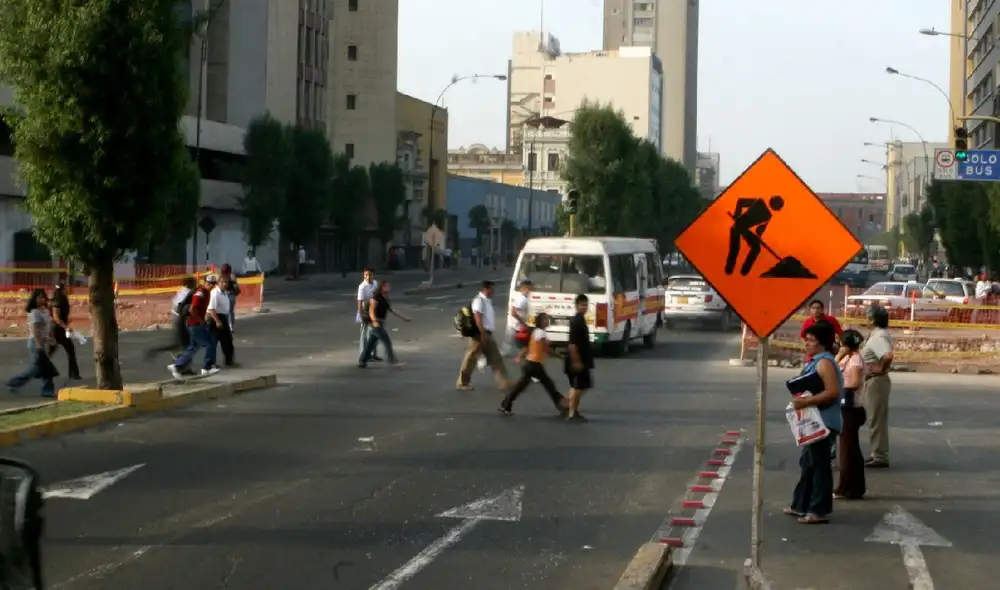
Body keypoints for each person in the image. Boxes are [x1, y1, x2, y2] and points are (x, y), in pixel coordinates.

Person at [784, 320, 844, 524]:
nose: (807, 344)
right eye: (806, 340)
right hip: (814, 420)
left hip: (824, 421)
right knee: (808, 463)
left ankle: (818, 510)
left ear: (822, 343)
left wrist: (806, 401)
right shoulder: (815, 361)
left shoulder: (824, 362)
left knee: (819, 466)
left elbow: (833, 391)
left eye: (811, 340)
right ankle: (801, 504)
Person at [498, 313, 569, 416]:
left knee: (521, 387)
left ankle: (505, 405)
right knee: (549, 385)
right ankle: (562, 406)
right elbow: (547, 349)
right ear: (540, 322)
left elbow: (528, 347)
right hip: (535, 364)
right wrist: (561, 357)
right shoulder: (541, 333)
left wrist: (520, 357)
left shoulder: (536, 332)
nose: (547, 321)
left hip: (530, 364)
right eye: (544, 319)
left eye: (547, 319)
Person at [456, 280, 512, 391]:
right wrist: (482, 333)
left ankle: (504, 382)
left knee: (496, 359)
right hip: (480, 335)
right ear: (486, 289)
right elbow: (478, 317)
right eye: (492, 288)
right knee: (471, 359)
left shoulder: (486, 300)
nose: (493, 291)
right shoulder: (479, 300)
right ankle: (462, 383)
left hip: (487, 334)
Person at [7, 289, 58, 398]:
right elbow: (35, 330)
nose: (42, 299)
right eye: (39, 297)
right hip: (35, 342)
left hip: (43, 342)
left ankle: (46, 390)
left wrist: (51, 338)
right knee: (39, 368)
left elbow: (47, 327)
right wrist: (39, 345)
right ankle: (14, 382)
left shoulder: (45, 311)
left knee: (44, 367)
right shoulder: (34, 312)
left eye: (43, 297)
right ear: (34, 299)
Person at [834, 329, 867, 500]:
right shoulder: (847, 358)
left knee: (848, 451)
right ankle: (853, 487)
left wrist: (840, 389)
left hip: (852, 408)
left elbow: (854, 382)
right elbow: (831, 370)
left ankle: (847, 488)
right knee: (848, 449)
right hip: (845, 407)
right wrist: (839, 356)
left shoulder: (855, 360)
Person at [169, 275, 220, 379]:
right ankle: (207, 368)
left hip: (193, 323)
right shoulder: (200, 292)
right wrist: (201, 321)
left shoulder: (206, 292)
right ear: (205, 283)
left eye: (213, 284)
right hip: (195, 324)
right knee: (209, 343)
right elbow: (193, 309)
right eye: (209, 283)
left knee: (193, 347)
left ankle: (177, 365)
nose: (211, 286)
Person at [144, 276, 197, 374]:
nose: (196, 284)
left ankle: (182, 366)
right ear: (190, 284)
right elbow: (179, 307)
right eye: (195, 283)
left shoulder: (183, 291)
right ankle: (183, 368)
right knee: (185, 345)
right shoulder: (187, 292)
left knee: (179, 344)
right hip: (179, 320)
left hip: (178, 319)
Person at [863, 305, 894, 469]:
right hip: (875, 380)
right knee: (875, 417)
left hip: (876, 380)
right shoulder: (878, 334)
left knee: (876, 418)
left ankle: (879, 454)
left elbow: (887, 355)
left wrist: (880, 367)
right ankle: (878, 452)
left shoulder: (878, 337)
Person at [358, 280, 409, 368]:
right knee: (387, 342)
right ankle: (393, 361)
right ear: (382, 288)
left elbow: (392, 310)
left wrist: (404, 318)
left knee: (371, 343)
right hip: (377, 323)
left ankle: (362, 361)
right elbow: (371, 312)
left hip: (380, 322)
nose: (389, 288)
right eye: (386, 286)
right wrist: (374, 321)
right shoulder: (376, 298)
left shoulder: (385, 298)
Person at [565, 293, 595, 422]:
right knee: (580, 387)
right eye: (582, 305)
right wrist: (576, 361)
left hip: (580, 359)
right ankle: (572, 412)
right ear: (576, 306)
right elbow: (572, 344)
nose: (584, 307)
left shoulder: (580, 320)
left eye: (586, 304)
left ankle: (573, 410)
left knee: (576, 386)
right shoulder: (576, 321)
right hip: (577, 359)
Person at [48, 282, 81, 380]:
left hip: (60, 329)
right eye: (66, 287)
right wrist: (66, 327)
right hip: (56, 330)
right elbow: (56, 317)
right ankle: (37, 369)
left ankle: (74, 374)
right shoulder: (57, 301)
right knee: (52, 351)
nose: (68, 289)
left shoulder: (63, 299)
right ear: (62, 289)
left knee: (68, 350)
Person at [208, 274, 237, 367]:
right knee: (213, 342)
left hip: (223, 317)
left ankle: (229, 361)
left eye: (228, 283)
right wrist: (217, 321)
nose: (227, 284)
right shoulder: (215, 293)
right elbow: (211, 309)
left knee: (228, 341)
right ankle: (211, 363)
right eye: (225, 283)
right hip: (216, 318)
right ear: (220, 282)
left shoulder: (223, 292)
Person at [502, 278, 533, 363]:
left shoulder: (523, 299)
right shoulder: (521, 299)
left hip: (517, 326)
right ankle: (517, 358)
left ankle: (519, 358)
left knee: (512, 344)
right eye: (528, 289)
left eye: (530, 289)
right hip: (517, 326)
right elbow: (513, 312)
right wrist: (523, 323)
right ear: (523, 289)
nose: (530, 291)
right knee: (525, 345)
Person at [357, 268, 382, 362]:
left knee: (374, 333)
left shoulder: (375, 284)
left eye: (369, 274)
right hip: (365, 311)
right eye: (366, 275)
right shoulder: (362, 286)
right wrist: (360, 314)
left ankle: (373, 354)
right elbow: (360, 302)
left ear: (373, 275)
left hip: (374, 311)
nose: (367, 277)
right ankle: (363, 354)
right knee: (364, 334)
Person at [219, 263, 240, 333]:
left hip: (224, 295)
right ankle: (231, 327)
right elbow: (237, 287)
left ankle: (227, 326)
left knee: (225, 312)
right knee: (231, 311)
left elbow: (219, 286)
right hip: (231, 295)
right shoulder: (232, 276)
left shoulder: (221, 276)